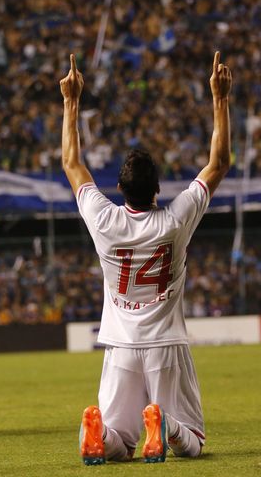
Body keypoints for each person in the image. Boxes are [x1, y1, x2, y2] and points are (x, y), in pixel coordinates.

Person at [61, 52, 232, 464]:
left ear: (120, 189)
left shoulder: (103, 220)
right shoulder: (175, 221)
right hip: (166, 343)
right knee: (192, 438)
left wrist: (70, 103)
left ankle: (100, 433)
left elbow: (71, 162)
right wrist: (220, 98)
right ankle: (167, 426)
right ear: (157, 189)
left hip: (119, 345)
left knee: (119, 441)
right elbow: (219, 163)